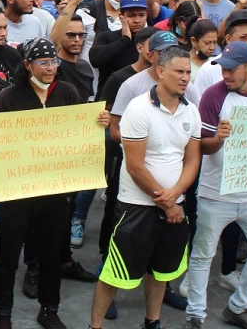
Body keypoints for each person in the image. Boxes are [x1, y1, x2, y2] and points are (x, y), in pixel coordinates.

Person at [0, 37, 110, 329]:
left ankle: (49, 308)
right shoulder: (8, 98)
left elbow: (80, 132)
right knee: (7, 255)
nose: (50, 68)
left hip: (55, 189)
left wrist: (98, 123)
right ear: (27, 64)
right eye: (43, 62)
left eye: (53, 61)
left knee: (51, 253)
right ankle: (2, 314)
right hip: (17, 190)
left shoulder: (68, 92)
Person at [90, 44, 200, 329]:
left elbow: (192, 159)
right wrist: (168, 202)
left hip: (174, 204)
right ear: (160, 71)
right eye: (179, 71)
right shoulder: (138, 109)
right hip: (136, 207)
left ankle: (152, 322)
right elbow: (135, 166)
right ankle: (95, 326)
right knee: (114, 273)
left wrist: (176, 196)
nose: (185, 78)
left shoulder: (191, 111)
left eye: (188, 72)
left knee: (161, 272)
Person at [185, 41, 247, 329]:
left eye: (232, 69)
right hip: (216, 193)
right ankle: (195, 315)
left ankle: (238, 306)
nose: (225, 75)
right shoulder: (213, 96)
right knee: (203, 255)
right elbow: (200, 147)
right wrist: (218, 139)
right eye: (223, 69)